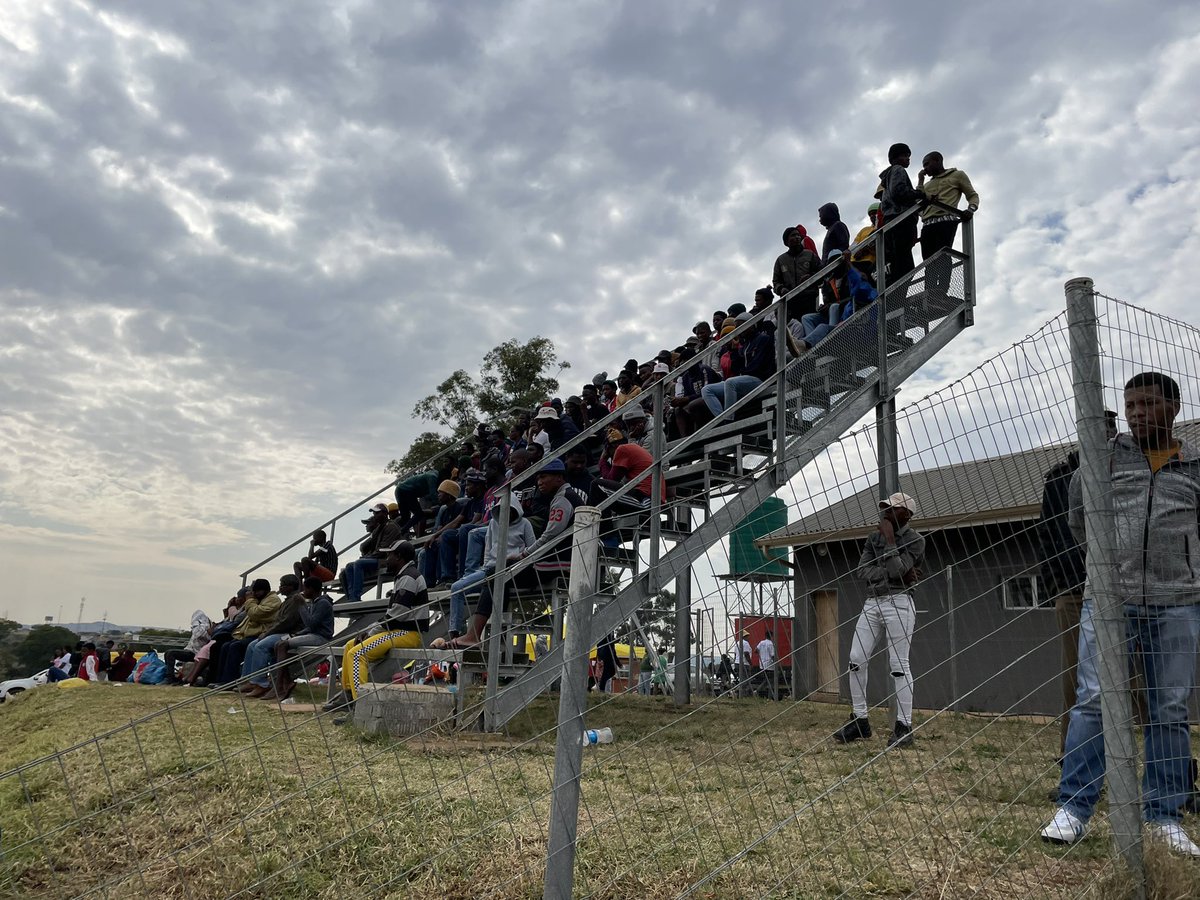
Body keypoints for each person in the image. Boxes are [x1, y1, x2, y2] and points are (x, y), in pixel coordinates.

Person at [1042, 372, 1200, 856]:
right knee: (1092, 699)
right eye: (1130, 405)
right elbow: (1077, 518)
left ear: (1172, 408)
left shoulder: (1195, 467)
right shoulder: (1105, 458)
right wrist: (1109, 571)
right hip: (1108, 601)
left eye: (1147, 404)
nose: (1135, 413)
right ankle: (1073, 808)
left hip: (1178, 602)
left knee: (1168, 709)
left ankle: (1164, 816)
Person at [1036, 411, 1119, 757]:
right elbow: (1047, 536)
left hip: (1127, 586)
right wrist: (1060, 584)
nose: (1107, 435)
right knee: (1078, 678)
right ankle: (1071, 756)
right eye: (1099, 429)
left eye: (1112, 429)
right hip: (1074, 590)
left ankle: (1160, 762)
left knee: (1140, 675)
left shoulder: (1128, 469)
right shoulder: (1059, 480)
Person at [448, 459, 584, 648]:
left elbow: (549, 537)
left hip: (561, 562)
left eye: (544, 477)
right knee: (498, 574)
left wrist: (522, 556)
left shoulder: (563, 499)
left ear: (559, 477)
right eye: (537, 478)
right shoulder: (565, 496)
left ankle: (476, 635)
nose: (539, 482)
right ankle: (494, 634)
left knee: (496, 574)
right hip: (561, 558)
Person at [835, 491, 925, 748]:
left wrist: (889, 541)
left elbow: (899, 570)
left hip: (900, 601)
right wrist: (895, 572)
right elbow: (862, 570)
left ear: (906, 514)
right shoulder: (872, 537)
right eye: (885, 507)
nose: (886, 512)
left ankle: (904, 726)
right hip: (873, 601)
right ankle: (860, 720)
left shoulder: (916, 540)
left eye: (892, 509)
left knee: (898, 664)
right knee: (855, 660)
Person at [335, 542, 431, 708]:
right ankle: (348, 697)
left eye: (390, 555)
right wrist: (370, 631)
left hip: (408, 633)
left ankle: (361, 706)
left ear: (399, 557)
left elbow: (396, 616)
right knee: (349, 646)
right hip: (399, 631)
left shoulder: (408, 577)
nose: (387, 559)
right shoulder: (404, 575)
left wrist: (371, 632)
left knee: (357, 654)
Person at [446, 501, 535, 639]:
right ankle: (454, 633)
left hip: (511, 568)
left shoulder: (525, 524)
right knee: (457, 587)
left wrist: (516, 558)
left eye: (510, 510)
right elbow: (489, 546)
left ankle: (489, 636)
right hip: (490, 568)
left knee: (494, 589)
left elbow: (532, 548)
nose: (506, 513)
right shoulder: (494, 523)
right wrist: (487, 564)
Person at [239, 576, 308, 697]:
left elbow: (286, 623)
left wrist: (267, 633)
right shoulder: (288, 600)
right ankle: (250, 680)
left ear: (291, 587)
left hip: (290, 633)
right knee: (251, 645)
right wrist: (268, 632)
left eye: (283, 585)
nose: (280, 587)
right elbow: (277, 622)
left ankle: (261, 684)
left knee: (261, 646)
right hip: (280, 631)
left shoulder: (296, 600)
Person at [270, 577, 336, 700]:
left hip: (322, 638)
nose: (303, 591)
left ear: (312, 589)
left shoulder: (322, 603)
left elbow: (311, 624)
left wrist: (301, 605)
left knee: (282, 645)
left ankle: (280, 685)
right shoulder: (315, 602)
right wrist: (298, 634)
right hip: (314, 634)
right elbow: (310, 627)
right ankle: (286, 681)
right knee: (279, 644)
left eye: (305, 588)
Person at [700, 317, 776, 421]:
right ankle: (721, 420)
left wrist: (742, 371)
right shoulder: (743, 346)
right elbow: (737, 369)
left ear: (751, 326)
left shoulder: (762, 339)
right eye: (737, 328)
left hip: (760, 379)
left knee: (730, 382)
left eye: (741, 326)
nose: (739, 330)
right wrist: (734, 351)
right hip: (743, 379)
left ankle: (729, 419)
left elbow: (757, 366)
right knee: (706, 389)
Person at [214, 578, 282, 687]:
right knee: (225, 646)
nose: (253, 594)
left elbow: (255, 614)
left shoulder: (272, 600)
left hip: (261, 633)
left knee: (235, 647)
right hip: (249, 633)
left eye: (256, 591)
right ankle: (221, 679)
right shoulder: (259, 600)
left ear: (263, 590)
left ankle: (230, 681)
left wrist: (250, 600)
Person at [343, 501, 410, 602]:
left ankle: (356, 597)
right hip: (378, 558)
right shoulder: (380, 528)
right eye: (374, 513)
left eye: (377, 513)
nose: (374, 515)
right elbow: (365, 547)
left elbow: (383, 550)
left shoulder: (391, 526)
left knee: (359, 563)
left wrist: (367, 557)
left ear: (384, 513)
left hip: (387, 559)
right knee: (349, 567)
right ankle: (352, 598)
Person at [917, 151, 979, 259]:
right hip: (927, 225)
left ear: (937, 160)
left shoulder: (957, 175)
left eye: (927, 164)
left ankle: (944, 276)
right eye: (924, 166)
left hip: (945, 221)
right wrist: (920, 181)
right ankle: (930, 277)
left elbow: (972, 195)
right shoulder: (927, 185)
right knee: (928, 261)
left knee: (943, 256)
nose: (925, 168)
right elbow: (918, 202)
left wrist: (971, 209)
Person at [433, 470, 487, 589]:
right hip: (467, 531)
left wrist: (463, 527)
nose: (465, 488)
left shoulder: (484, 499)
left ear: (478, 486)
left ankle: (463, 575)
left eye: (468, 485)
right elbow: (456, 521)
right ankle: (447, 577)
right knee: (446, 535)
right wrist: (436, 535)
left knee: (465, 529)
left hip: (479, 531)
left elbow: (478, 521)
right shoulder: (469, 503)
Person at [878, 143, 924, 282]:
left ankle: (897, 296)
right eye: (905, 156)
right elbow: (900, 192)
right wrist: (919, 194)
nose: (908, 159)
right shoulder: (898, 170)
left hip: (892, 222)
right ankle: (898, 297)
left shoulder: (888, 178)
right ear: (895, 158)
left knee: (898, 261)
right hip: (900, 220)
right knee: (905, 263)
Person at [773, 226, 822, 319]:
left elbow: (821, 273)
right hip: (790, 301)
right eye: (793, 235)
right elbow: (776, 282)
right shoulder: (781, 260)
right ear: (786, 241)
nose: (797, 237)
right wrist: (781, 289)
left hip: (809, 298)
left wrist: (810, 277)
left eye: (798, 235)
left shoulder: (810, 255)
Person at [165, 609, 213, 685]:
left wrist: (202, 626)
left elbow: (198, 634)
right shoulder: (202, 628)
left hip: (196, 653)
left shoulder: (206, 629)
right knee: (168, 653)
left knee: (170, 653)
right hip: (191, 651)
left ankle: (169, 679)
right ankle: (170, 677)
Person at [850, 202, 881, 278]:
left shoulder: (881, 228)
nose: (872, 216)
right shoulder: (864, 230)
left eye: (874, 213)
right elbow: (853, 246)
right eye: (870, 215)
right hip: (853, 261)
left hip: (868, 263)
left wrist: (865, 250)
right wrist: (856, 252)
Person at [756, 630, 777, 699]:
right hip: (770, 665)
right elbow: (773, 655)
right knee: (770, 681)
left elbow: (755, 650)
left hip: (762, 665)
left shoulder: (761, 642)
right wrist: (777, 664)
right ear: (771, 636)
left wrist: (761, 653)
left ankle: (758, 691)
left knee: (766, 680)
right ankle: (769, 696)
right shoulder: (771, 644)